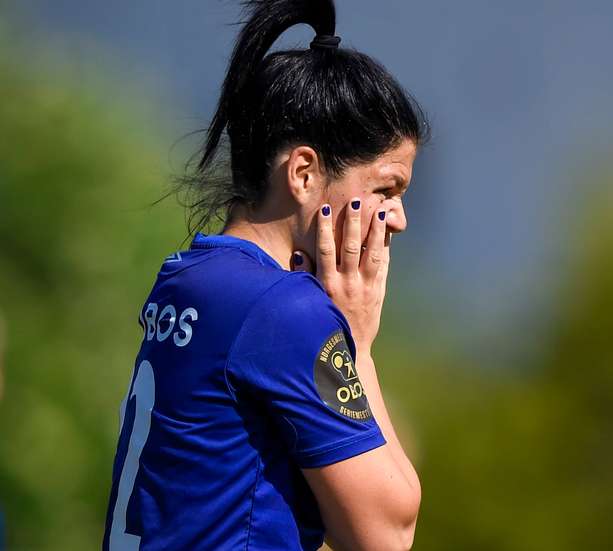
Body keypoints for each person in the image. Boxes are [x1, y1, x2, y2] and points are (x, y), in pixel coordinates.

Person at [102, 0, 427, 549]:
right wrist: (359, 344)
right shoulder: (284, 310)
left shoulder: (187, 277)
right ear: (303, 173)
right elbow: (386, 534)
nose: (398, 218)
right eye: (385, 189)